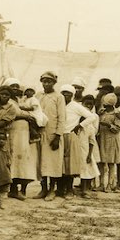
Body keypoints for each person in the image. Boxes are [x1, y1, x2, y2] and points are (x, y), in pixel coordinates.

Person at [36, 71, 67, 200]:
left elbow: (62, 118)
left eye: (49, 81)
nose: (46, 83)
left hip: (53, 134)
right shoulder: (38, 96)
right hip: (40, 133)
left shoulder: (59, 97)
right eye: (44, 81)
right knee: (41, 162)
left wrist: (58, 136)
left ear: (54, 83)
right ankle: (43, 189)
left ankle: (52, 190)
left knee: (53, 163)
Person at [60, 84, 94, 198]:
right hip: (59, 136)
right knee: (60, 163)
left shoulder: (75, 106)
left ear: (72, 95)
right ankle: (61, 189)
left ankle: (69, 190)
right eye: (63, 93)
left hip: (71, 136)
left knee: (69, 164)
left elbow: (91, 117)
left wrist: (79, 125)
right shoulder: (59, 104)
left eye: (68, 93)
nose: (65, 95)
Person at [98, 94, 120, 193]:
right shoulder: (102, 113)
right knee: (101, 162)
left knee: (111, 163)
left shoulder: (116, 114)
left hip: (111, 140)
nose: (105, 106)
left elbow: (117, 128)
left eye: (107, 105)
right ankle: (101, 184)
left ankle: (110, 184)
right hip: (102, 139)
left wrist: (108, 125)